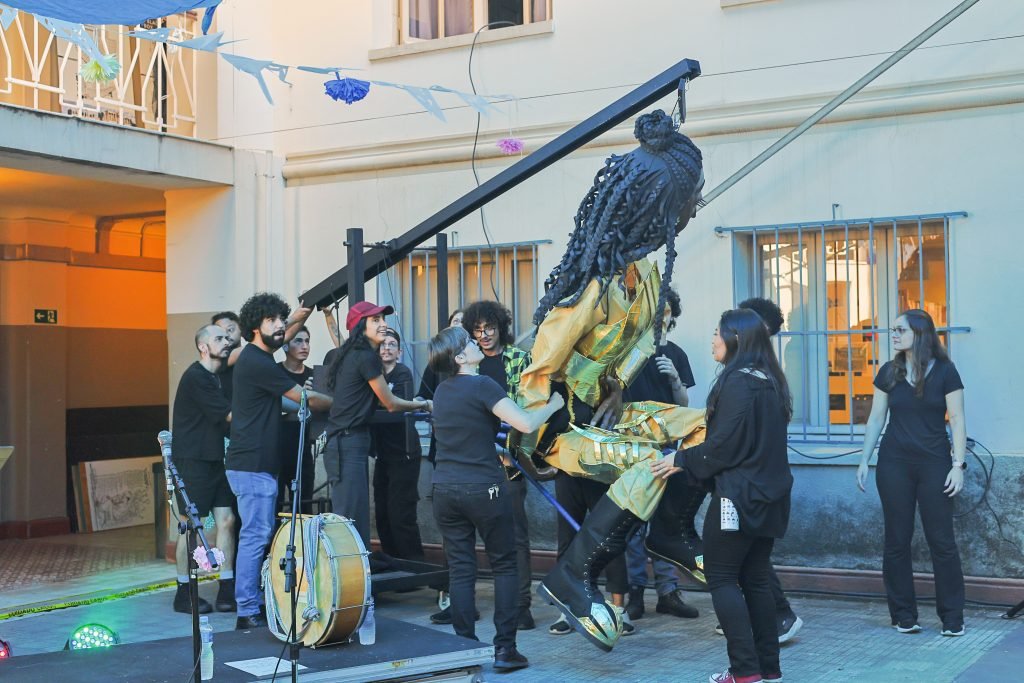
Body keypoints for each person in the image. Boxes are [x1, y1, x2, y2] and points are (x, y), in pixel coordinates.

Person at [511, 109, 707, 651]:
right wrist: (527, 438)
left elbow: (641, 340)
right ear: (655, 210)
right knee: (649, 463)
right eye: (689, 199)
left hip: (609, 411)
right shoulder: (592, 285)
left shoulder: (645, 274)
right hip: (562, 429)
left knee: (717, 426)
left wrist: (618, 385)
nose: (696, 207)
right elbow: (540, 364)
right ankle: (572, 577)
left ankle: (671, 531)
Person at [652, 307, 794, 683]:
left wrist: (679, 459)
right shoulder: (770, 380)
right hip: (770, 498)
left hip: (739, 498)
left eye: (718, 333)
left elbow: (723, 447)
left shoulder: (738, 383)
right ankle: (767, 668)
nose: (713, 339)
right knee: (757, 578)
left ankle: (744, 671)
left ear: (736, 339)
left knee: (722, 578)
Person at [427, 326, 563, 672]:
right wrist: (553, 405)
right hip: (483, 488)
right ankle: (505, 650)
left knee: (460, 568)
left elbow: (466, 435)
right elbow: (526, 423)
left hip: (444, 489)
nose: (477, 343)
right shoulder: (483, 385)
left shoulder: (441, 392)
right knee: (504, 564)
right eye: (469, 342)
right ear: (460, 357)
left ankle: (464, 649)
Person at [225, 293, 333, 630]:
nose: (279, 326)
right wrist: (344, 402)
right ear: (255, 326)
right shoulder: (257, 363)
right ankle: (246, 610)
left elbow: (281, 337)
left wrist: (300, 315)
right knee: (256, 536)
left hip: (252, 464)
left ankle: (252, 602)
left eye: (280, 320)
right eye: (272, 320)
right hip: (252, 466)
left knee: (258, 534)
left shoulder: (258, 357)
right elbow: (305, 397)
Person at [856, 308, 967, 637]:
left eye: (900, 330)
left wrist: (958, 465)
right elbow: (876, 418)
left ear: (919, 333)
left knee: (942, 541)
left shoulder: (946, 371)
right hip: (894, 464)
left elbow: (957, 419)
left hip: (935, 464)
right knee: (896, 541)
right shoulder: (889, 371)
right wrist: (864, 460)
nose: (893, 334)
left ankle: (952, 617)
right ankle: (904, 615)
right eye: (893, 329)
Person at [323, 301, 431, 556]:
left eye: (383, 319)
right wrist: (423, 403)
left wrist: (328, 319)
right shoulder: (365, 356)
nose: (383, 324)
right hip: (348, 443)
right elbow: (391, 404)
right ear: (361, 327)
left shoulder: (355, 353)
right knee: (349, 521)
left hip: (348, 443)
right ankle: (351, 587)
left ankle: (358, 584)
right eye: (376, 320)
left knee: (353, 518)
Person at [622, 289, 701, 622]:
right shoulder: (627, 352)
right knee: (633, 521)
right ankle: (635, 593)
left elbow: (684, 404)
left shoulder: (677, 354)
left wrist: (675, 378)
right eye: (655, 310)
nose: (661, 316)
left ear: (673, 315)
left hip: (667, 447)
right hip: (631, 445)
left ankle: (668, 592)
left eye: (666, 311)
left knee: (666, 520)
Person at [462, 300, 536, 630]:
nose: (484, 335)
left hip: (509, 460)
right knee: (478, 536)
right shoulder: (467, 365)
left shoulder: (519, 360)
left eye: (489, 327)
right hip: (474, 462)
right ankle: (471, 604)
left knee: (516, 536)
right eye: (477, 330)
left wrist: (510, 448)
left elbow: (527, 408)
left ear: (500, 327)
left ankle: (521, 605)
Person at [736, 297, 802, 643]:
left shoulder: (757, 376)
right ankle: (769, 619)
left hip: (755, 484)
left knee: (747, 560)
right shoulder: (761, 372)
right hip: (758, 482)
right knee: (750, 559)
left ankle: (778, 616)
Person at [169, 324, 236, 614]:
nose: (226, 341)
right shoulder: (197, 377)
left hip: (215, 460)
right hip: (192, 461)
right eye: (219, 338)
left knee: (226, 521)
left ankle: (227, 589)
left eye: (227, 337)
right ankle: (184, 593)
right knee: (189, 528)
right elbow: (228, 416)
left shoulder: (216, 377)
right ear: (203, 347)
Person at [371, 328, 425, 561]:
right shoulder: (372, 374)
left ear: (399, 352)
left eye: (391, 344)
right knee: (381, 511)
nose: (386, 348)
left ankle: (412, 564)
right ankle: (392, 562)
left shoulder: (403, 373)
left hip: (404, 453)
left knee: (400, 512)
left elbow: (395, 408)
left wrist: (381, 405)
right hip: (382, 454)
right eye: (382, 344)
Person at [277, 326, 315, 514]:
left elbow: (317, 410)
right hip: (276, 449)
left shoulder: (314, 376)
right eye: (298, 341)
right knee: (274, 506)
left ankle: (301, 544)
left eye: (307, 341)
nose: (304, 346)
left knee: (302, 507)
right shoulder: (274, 372)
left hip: (303, 451)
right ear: (285, 346)